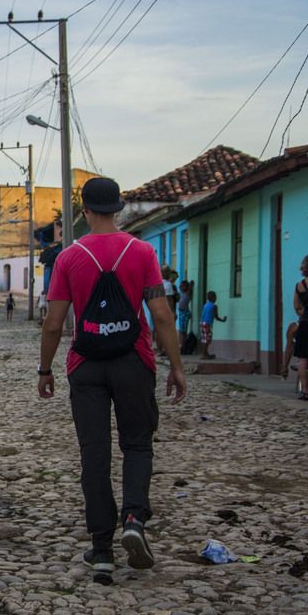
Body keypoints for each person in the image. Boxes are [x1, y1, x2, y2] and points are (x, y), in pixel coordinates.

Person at [38, 177, 186, 574]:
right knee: (137, 445)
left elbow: (53, 323)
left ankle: (101, 548)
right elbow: (161, 315)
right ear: (118, 209)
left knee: (94, 453)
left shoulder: (69, 257)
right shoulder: (142, 252)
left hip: (85, 365)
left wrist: (45, 368)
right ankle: (134, 520)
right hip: (133, 361)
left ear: (83, 211)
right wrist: (175, 366)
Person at [292, 254, 308, 400]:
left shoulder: (300, 285)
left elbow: (296, 306)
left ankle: (305, 390)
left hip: (305, 324)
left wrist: (304, 312)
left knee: (303, 359)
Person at [199, 291, 227, 359]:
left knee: (204, 339)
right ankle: (204, 354)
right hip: (208, 324)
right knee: (207, 339)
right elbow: (216, 317)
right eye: (215, 296)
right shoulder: (214, 306)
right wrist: (223, 320)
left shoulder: (205, 305)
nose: (216, 298)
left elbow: (203, 314)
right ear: (213, 297)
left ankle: (205, 353)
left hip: (202, 323)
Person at [176, 280, 192, 348]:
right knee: (182, 330)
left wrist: (190, 285)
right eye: (181, 286)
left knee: (183, 330)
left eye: (183, 286)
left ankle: (183, 345)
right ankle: (182, 344)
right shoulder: (182, 293)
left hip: (184, 312)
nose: (181, 288)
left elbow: (190, 290)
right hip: (181, 312)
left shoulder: (187, 293)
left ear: (187, 287)